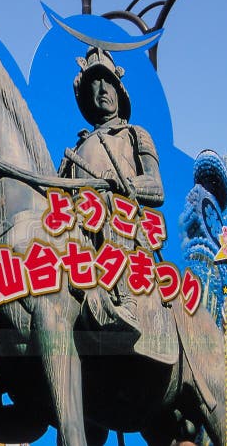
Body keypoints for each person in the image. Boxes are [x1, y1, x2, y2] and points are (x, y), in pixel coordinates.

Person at [58, 47, 164, 338]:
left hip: (123, 226)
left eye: (108, 82)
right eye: (94, 82)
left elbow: (157, 187)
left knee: (107, 206)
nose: (102, 89)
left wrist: (126, 185)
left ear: (119, 90)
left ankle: (124, 301)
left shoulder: (135, 135)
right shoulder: (74, 151)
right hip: (80, 231)